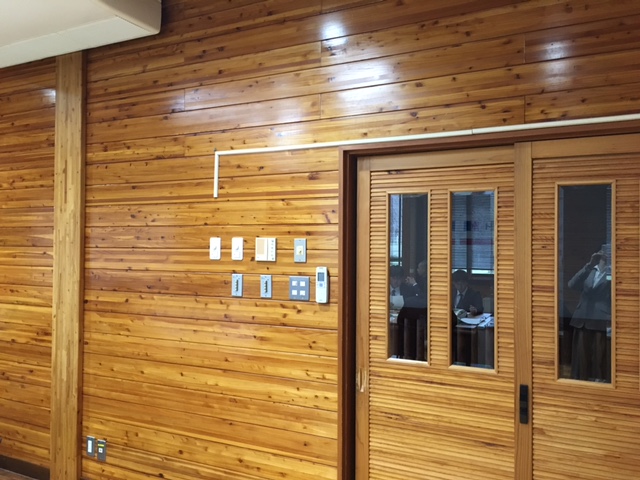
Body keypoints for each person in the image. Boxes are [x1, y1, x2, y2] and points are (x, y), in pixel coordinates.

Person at [568, 250, 611, 382]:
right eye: (602, 252)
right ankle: (580, 380)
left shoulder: (611, 272)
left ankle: (600, 381)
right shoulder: (590, 270)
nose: (604, 255)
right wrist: (589, 264)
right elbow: (572, 284)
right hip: (582, 317)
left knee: (600, 353)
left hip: (601, 319)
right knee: (581, 354)